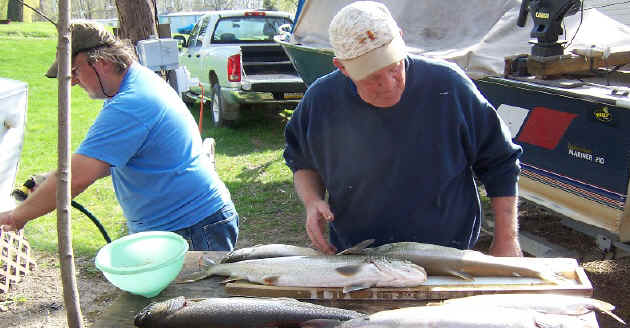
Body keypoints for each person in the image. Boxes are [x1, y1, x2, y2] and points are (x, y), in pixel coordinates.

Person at [283, 1, 524, 257]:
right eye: (373, 77)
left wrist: (507, 239)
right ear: (342, 67)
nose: (389, 84)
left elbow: (501, 162)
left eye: (394, 67)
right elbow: (302, 160)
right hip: (359, 255)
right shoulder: (321, 100)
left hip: (447, 254)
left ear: (401, 39)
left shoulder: (449, 86)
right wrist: (312, 201)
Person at [0, 21, 238, 251]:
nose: (73, 82)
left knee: (192, 282)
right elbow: (107, 158)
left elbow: (77, 177)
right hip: (184, 224)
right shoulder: (133, 84)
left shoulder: (131, 102)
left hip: (192, 227)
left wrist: (16, 216)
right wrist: (50, 179)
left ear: (101, 62)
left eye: (75, 71)